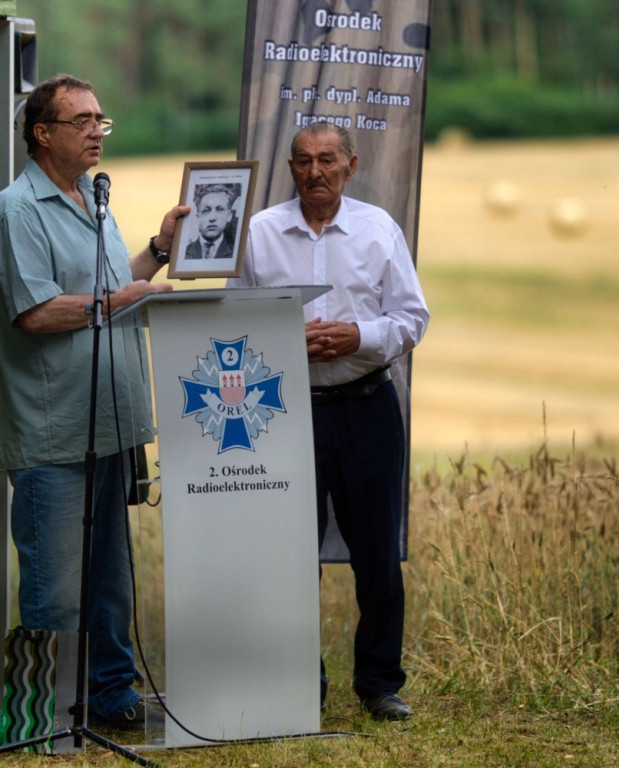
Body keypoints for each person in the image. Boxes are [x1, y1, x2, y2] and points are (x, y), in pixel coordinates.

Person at [0, 74, 188, 729]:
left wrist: (159, 251)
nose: (94, 131)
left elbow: (111, 287)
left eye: (100, 121)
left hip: (108, 423)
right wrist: (117, 301)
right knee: (56, 580)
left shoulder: (94, 200)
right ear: (41, 132)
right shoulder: (17, 211)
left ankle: (110, 695)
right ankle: (43, 718)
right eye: (80, 120)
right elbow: (37, 313)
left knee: (109, 576)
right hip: (54, 430)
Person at [227, 123, 429, 721]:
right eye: (303, 161)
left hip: (368, 406)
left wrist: (358, 336)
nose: (315, 172)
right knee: (290, 558)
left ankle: (379, 684)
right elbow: (232, 323)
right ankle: (298, 684)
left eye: (327, 160)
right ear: (289, 168)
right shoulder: (260, 235)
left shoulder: (378, 230)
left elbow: (412, 319)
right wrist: (285, 338)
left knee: (377, 556)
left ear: (351, 165)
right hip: (287, 410)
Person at [184, 184, 237, 260]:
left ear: (229, 216)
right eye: (206, 211)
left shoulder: (237, 255)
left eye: (219, 210)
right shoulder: (183, 254)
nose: (212, 218)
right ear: (197, 217)